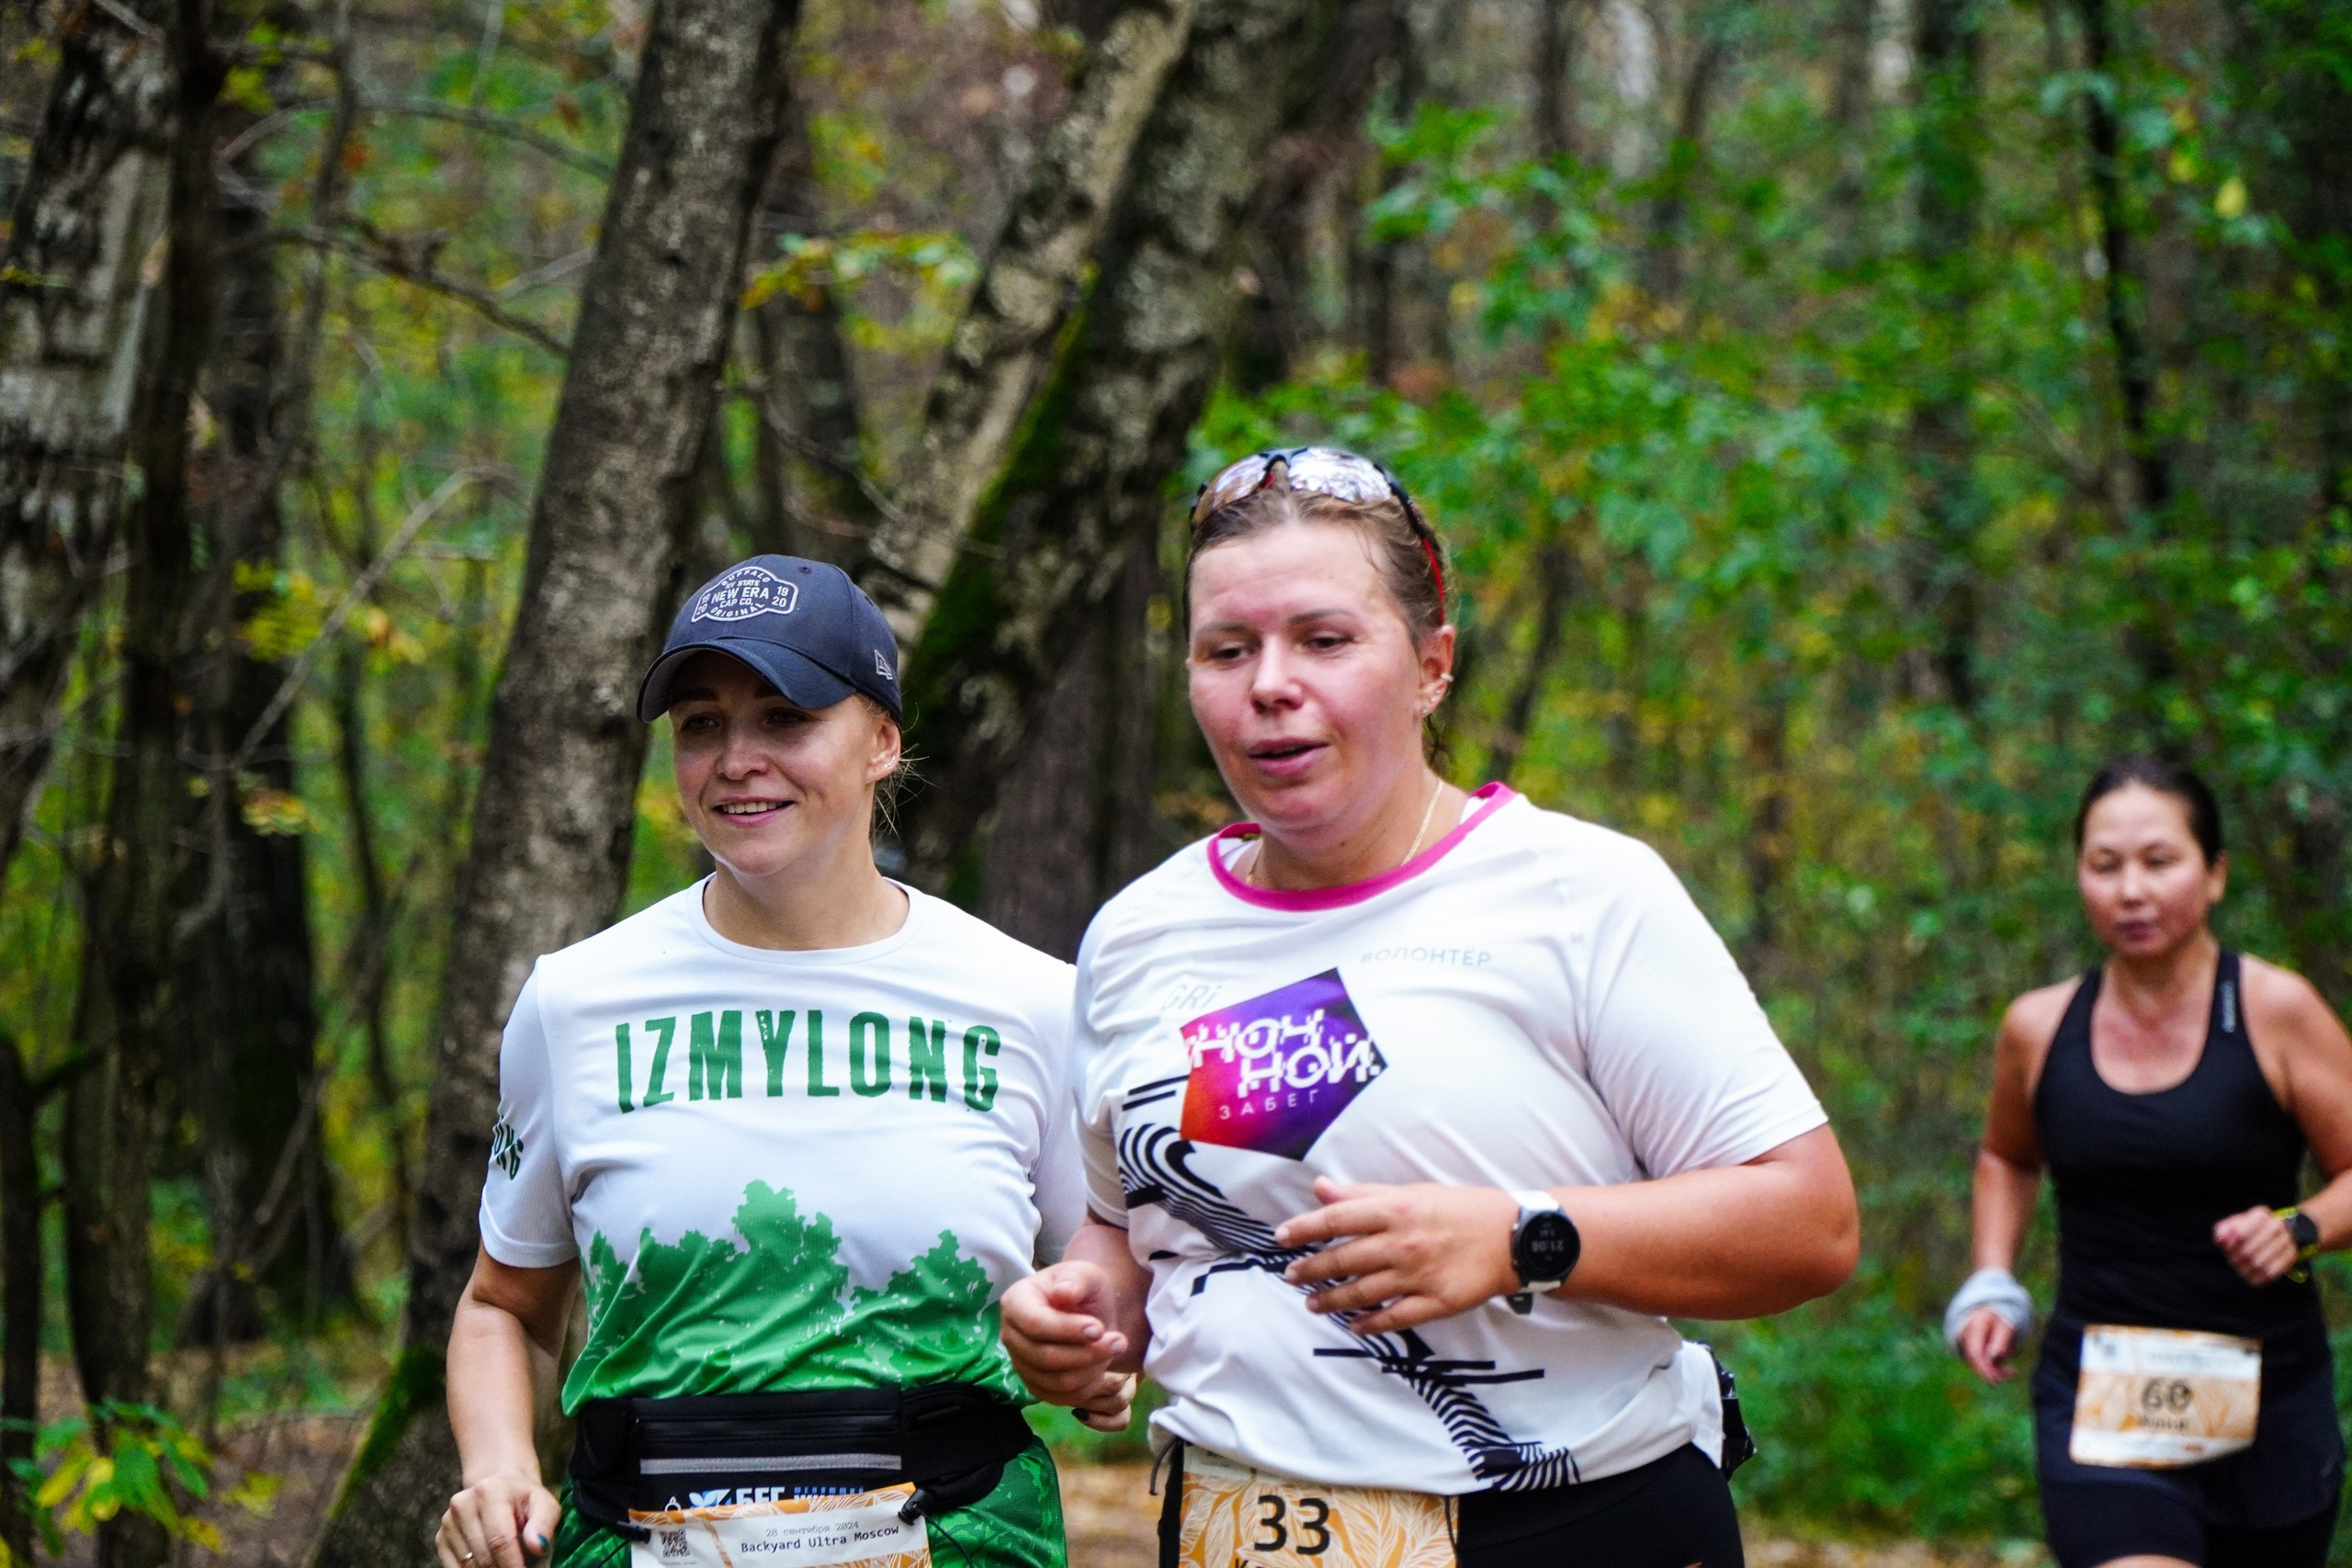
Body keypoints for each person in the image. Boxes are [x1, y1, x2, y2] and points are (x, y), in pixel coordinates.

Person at [999, 447, 1859, 1568]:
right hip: (1231, 1527)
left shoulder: (1576, 893)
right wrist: (1084, 1313)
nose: (1269, 684)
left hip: (1562, 1524)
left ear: (1430, 667)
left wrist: (1521, 1239)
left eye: (1323, 639)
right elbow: (1139, 1222)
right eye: (1227, 649)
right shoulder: (1141, 935)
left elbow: (1808, 1222)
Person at [435, 556, 1096, 1568]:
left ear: (882, 740)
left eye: (785, 718)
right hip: (640, 1533)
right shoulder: (577, 1002)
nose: (738, 757)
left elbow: (1106, 1284)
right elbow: (501, 1307)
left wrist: (1090, 1354)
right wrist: (500, 1472)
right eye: (701, 724)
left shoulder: (1031, 1000)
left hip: (964, 1538)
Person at [1949, 756, 2352, 1568]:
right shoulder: (2038, 1025)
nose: (2131, 890)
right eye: (2106, 866)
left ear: (2214, 874)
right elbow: (2006, 1154)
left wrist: (2301, 1225)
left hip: (2269, 1402)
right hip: (2105, 1405)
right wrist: (1992, 1277)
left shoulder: (2276, 1010)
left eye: (2159, 861)